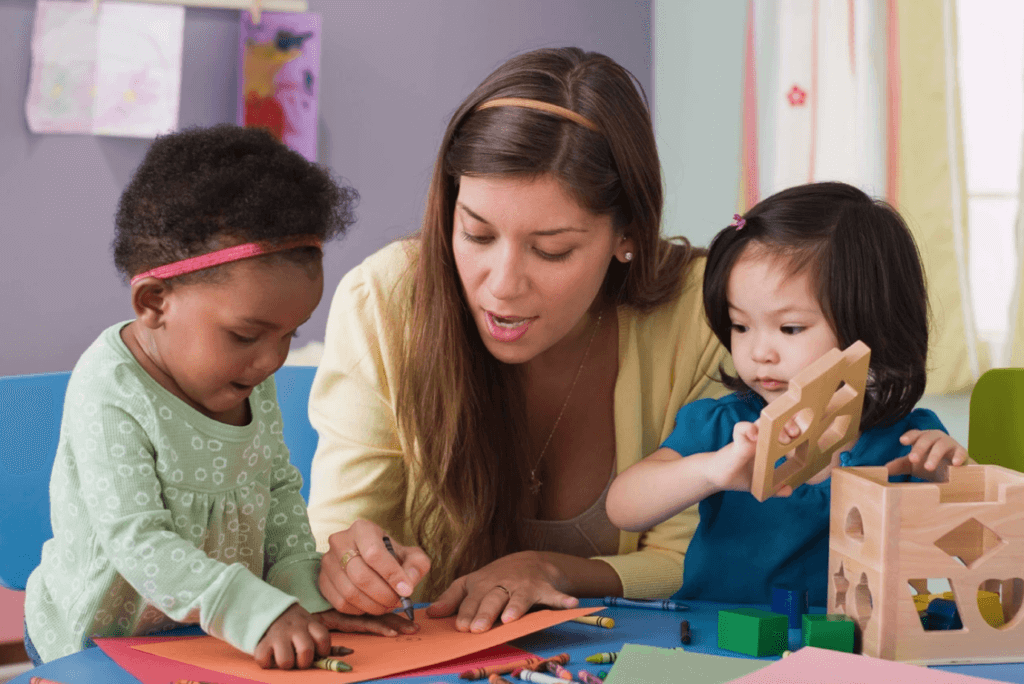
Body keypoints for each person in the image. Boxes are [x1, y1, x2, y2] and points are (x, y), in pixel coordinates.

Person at [306, 46, 728, 633]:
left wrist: (549, 569)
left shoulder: (705, 312)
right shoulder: (382, 301)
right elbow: (342, 537)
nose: (501, 287)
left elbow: (695, 560)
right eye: (476, 235)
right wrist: (350, 567)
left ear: (627, 235)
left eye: (551, 249)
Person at [23, 125, 415, 669]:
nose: (271, 359)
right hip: (94, 645)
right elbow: (137, 541)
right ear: (155, 301)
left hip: (213, 641)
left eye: (290, 334)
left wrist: (304, 592)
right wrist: (252, 608)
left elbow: (277, 493)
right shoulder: (110, 387)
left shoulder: (248, 375)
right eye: (246, 335)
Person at [605, 181, 970, 607]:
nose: (759, 352)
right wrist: (710, 472)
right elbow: (623, 507)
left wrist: (950, 479)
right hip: (715, 639)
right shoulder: (723, 427)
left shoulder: (908, 440)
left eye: (790, 328)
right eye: (741, 326)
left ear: (872, 323)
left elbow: (975, 549)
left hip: (849, 650)